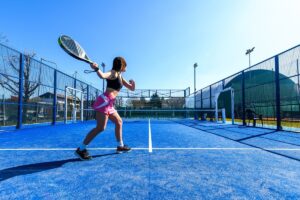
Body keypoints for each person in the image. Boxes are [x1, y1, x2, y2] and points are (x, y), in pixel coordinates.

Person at [75, 56, 135, 160]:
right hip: (104, 102)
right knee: (100, 128)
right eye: (125, 65)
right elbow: (102, 76)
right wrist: (96, 68)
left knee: (119, 122)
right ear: (121, 65)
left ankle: (120, 146)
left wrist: (133, 84)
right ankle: (81, 149)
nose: (126, 67)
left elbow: (131, 88)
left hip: (110, 104)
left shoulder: (120, 76)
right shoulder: (112, 73)